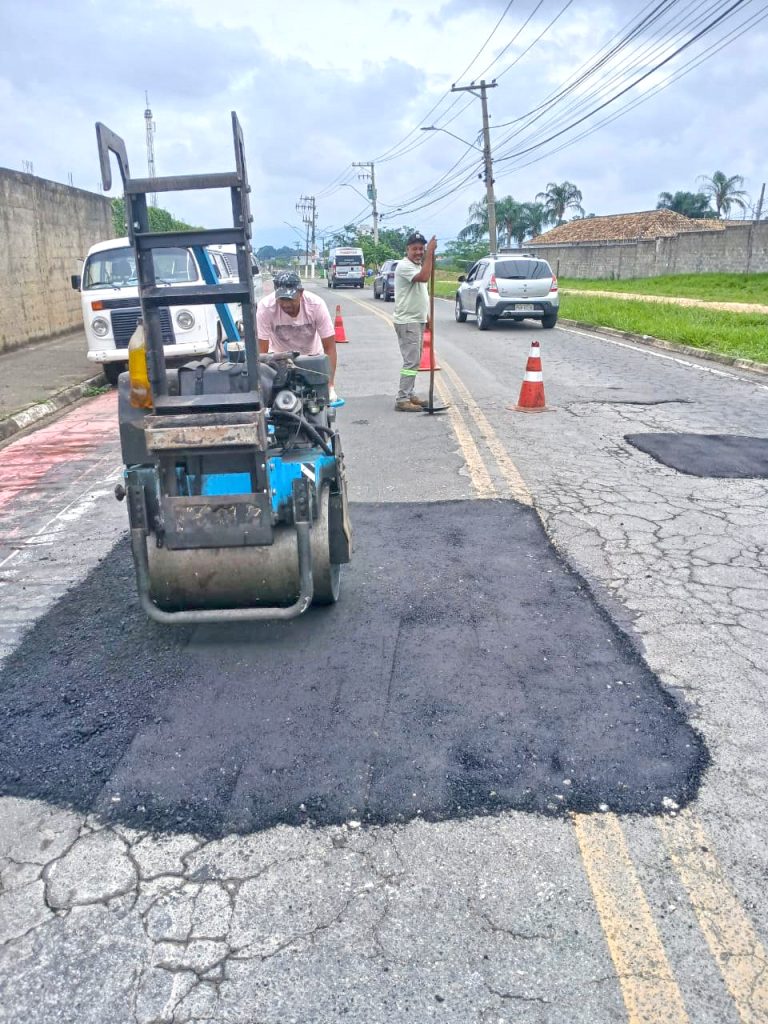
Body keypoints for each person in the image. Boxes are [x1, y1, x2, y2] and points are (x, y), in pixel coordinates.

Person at [257, 270, 339, 402]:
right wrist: (262, 387)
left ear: (301, 293)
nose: (286, 304)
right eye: (282, 299)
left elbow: (329, 347)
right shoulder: (266, 307)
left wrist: (330, 385)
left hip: (312, 358)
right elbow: (261, 351)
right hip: (279, 360)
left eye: (290, 299)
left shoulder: (316, 305)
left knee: (318, 405)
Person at [392, 231, 437, 411]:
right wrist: (430, 254)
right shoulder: (405, 266)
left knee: (415, 360)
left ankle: (409, 394)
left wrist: (427, 316)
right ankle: (402, 399)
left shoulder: (418, 265)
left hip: (416, 319)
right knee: (411, 362)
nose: (418, 252)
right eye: (415, 249)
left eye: (421, 249)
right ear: (407, 249)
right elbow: (424, 277)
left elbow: (421, 293)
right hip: (407, 320)